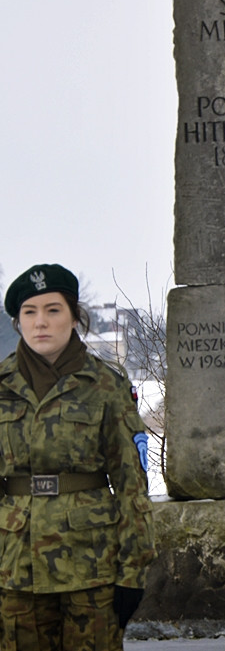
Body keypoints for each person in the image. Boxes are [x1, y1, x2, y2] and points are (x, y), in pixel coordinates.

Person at [0, 264, 156, 650]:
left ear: (73, 316)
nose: (41, 323)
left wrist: (132, 573)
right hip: (13, 567)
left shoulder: (106, 385)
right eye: (30, 312)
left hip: (92, 567)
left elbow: (132, 485)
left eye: (53, 310)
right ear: (18, 322)